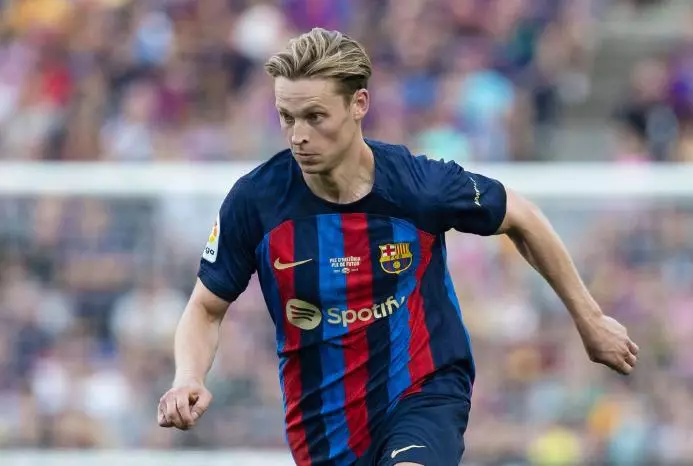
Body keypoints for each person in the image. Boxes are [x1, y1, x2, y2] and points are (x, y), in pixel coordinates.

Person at [157, 28, 639, 466]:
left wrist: (590, 319)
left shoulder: (417, 187)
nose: (298, 135)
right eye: (287, 117)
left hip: (424, 391)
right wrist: (188, 377)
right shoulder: (256, 202)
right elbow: (205, 308)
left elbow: (522, 217)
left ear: (359, 104)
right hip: (324, 424)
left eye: (315, 116)